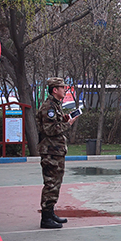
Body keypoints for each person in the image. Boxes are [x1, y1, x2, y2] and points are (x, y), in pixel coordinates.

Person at [36, 78, 79, 229]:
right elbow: (49, 129)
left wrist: (64, 119)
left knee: (56, 183)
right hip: (50, 151)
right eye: (62, 88)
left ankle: (50, 212)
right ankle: (46, 217)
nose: (64, 90)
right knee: (51, 184)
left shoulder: (55, 105)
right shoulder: (49, 106)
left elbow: (54, 124)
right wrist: (68, 124)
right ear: (55, 90)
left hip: (56, 150)